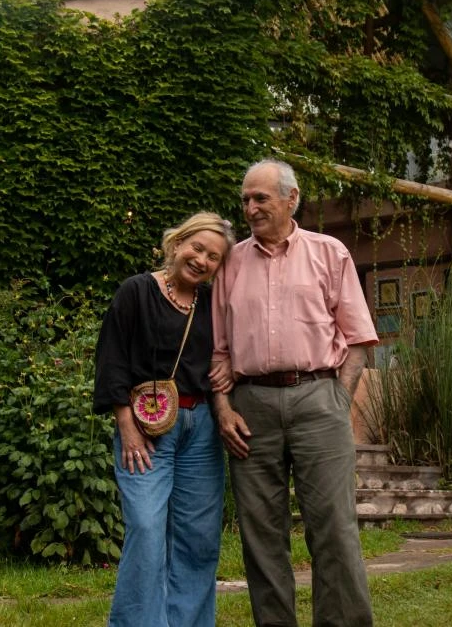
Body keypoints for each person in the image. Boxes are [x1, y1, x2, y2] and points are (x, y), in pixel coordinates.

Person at [209, 159, 378, 627]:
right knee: (261, 537)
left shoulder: (330, 253)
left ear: (291, 198)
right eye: (245, 199)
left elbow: (359, 341)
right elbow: (218, 351)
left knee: (335, 532)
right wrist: (223, 408)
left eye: (260, 197)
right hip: (250, 408)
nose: (250, 207)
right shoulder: (231, 263)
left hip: (318, 397)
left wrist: (339, 400)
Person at [93, 211, 236, 627]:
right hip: (145, 430)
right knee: (147, 529)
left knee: (198, 538)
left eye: (213, 257)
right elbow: (112, 358)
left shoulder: (213, 305)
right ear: (177, 243)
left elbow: (226, 353)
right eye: (197, 247)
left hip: (202, 429)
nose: (202, 260)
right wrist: (125, 426)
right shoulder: (136, 291)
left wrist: (228, 366)